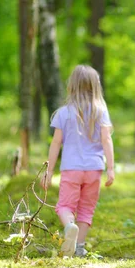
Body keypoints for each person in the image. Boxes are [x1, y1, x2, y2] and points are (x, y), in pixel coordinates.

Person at [41, 65, 115, 257]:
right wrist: (111, 168)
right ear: (95, 86)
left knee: (65, 206)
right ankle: (79, 248)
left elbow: (56, 143)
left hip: (71, 169)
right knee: (86, 209)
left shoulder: (63, 113)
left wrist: (48, 172)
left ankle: (69, 226)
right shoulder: (101, 110)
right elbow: (107, 139)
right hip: (94, 169)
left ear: (71, 87)